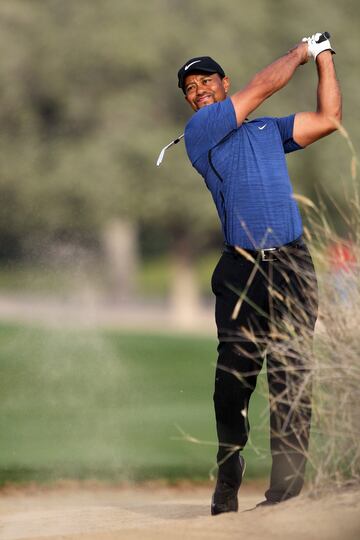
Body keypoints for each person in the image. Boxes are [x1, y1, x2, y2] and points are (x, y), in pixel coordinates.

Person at [176, 33, 341, 515]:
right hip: (241, 269)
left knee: (292, 376)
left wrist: (326, 58)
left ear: (224, 83)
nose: (199, 89)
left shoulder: (268, 131)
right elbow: (264, 85)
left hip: (292, 263)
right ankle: (230, 471)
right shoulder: (202, 131)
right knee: (234, 382)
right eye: (190, 86)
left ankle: (285, 494)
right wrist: (301, 51)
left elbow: (329, 119)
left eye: (207, 79)